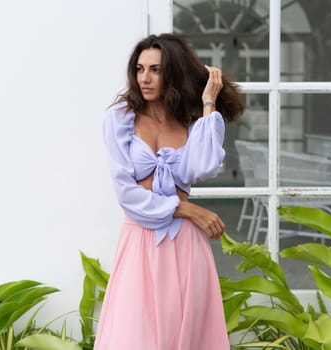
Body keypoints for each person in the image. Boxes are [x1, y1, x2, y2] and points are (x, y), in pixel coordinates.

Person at [95, 33, 243, 350]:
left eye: (156, 69)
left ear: (172, 73)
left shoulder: (189, 121)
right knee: (133, 338)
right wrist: (187, 209)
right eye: (139, 68)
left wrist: (208, 103)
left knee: (189, 337)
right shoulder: (120, 119)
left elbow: (203, 167)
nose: (144, 78)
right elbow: (127, 195)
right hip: (140, 242)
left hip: (186, 246)